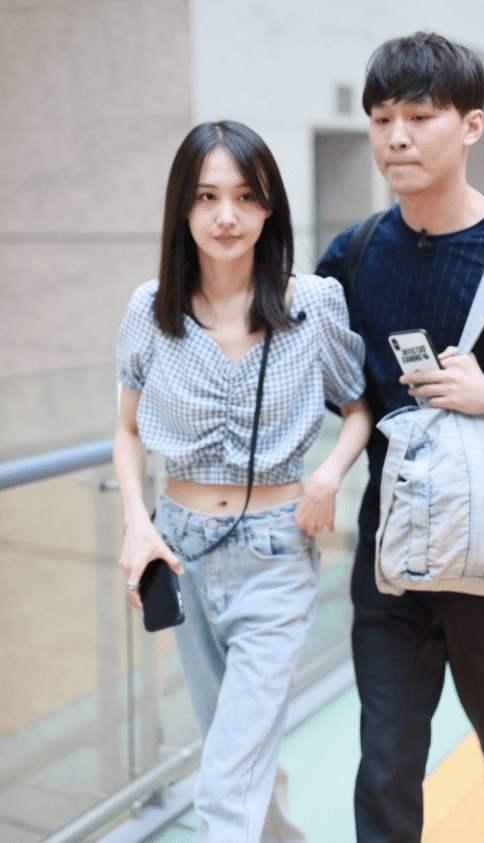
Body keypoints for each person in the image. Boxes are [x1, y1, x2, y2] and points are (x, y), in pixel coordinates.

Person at [316, 32, 484, 843]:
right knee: (385, 754)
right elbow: (338, 384)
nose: (397, 137)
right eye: (382, 118)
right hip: (392, 547)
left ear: (472, 125)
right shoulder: (353, 256)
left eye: (420, 117)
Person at [113, 119, 370, 843]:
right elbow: (127, 430)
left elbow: (358, 408)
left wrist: (327, 473)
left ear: (268, 207)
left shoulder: (310, 304)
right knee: (231, 746)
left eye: (245, 197)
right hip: (181, 550)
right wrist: (137, 524)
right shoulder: (150, 310)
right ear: (182, 207)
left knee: (225, 785)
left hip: (275, 551)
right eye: (206, 196)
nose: (226, 216)